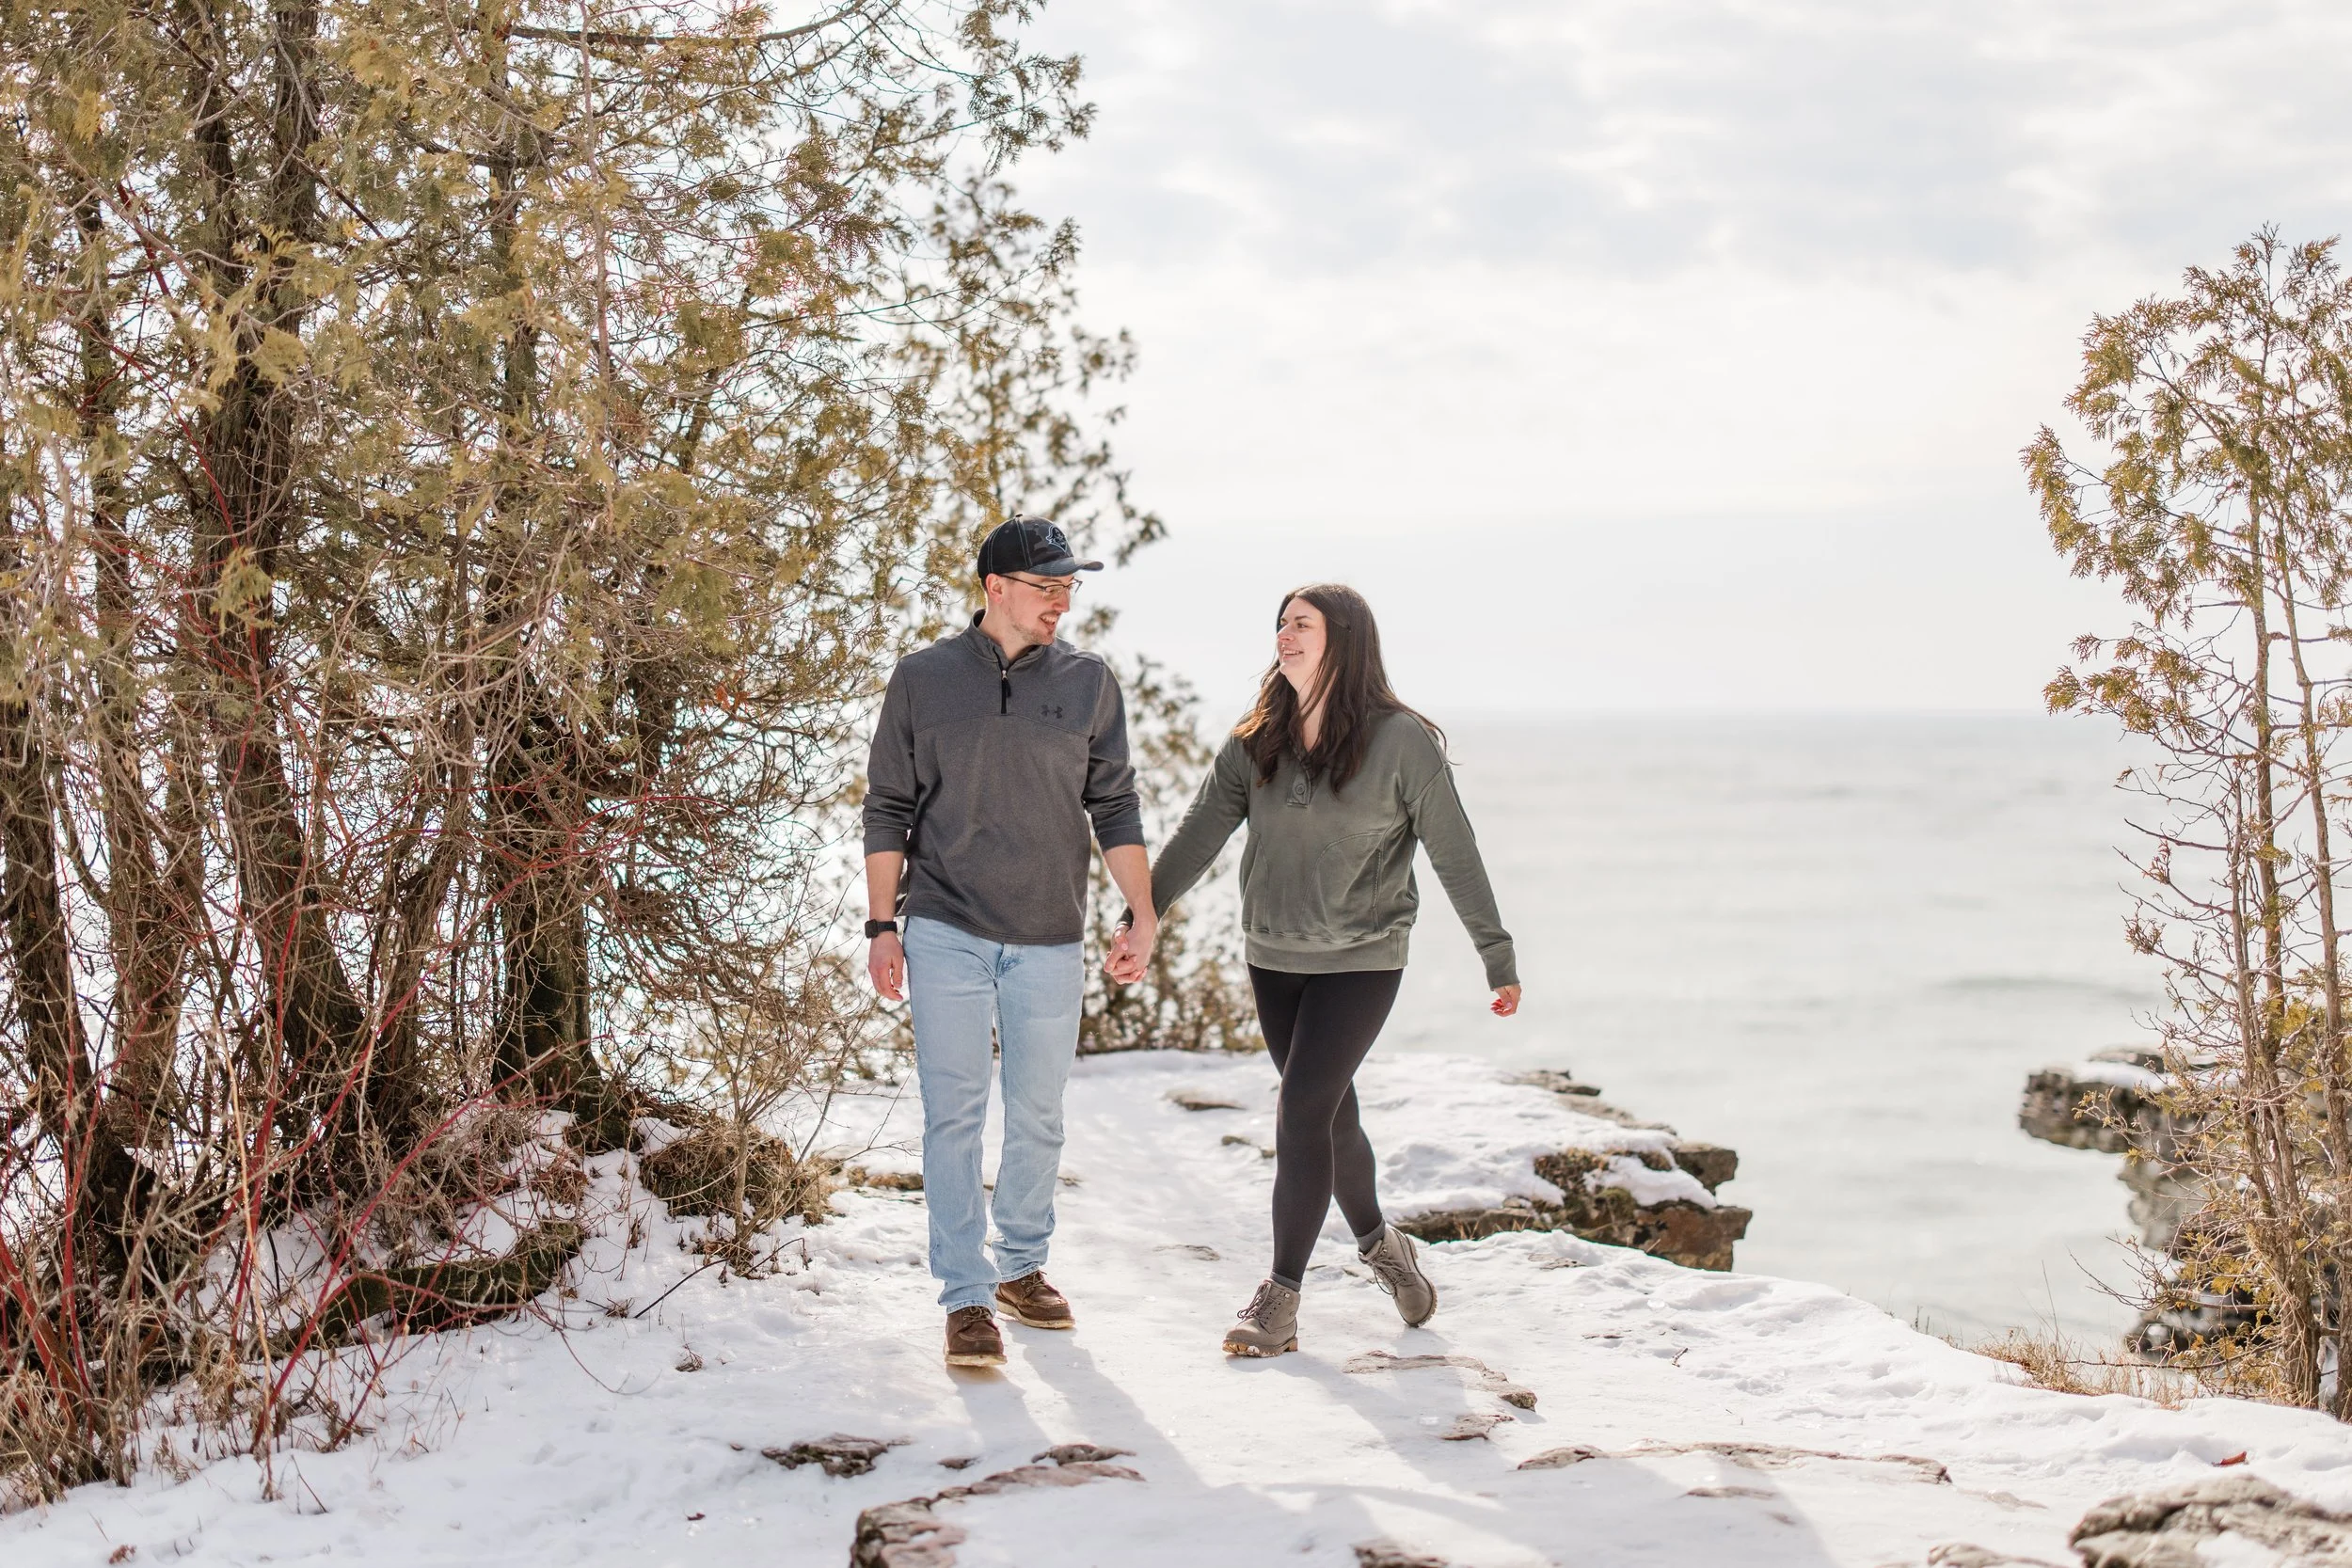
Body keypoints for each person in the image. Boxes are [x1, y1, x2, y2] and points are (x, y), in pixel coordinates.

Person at [1125, 583, 1518, 1356]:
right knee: (1332, 1114)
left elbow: (1454, 850)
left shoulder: (1402, 741)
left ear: (1344, 637)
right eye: (1279, 623)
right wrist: (1144, 914)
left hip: (1362, 959)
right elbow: (1200, 832)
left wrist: (1495, 954)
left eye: (1301, 623)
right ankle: (1383, 1247)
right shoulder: (1256, 739)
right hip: (1273, 955)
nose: (1284, 634)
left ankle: (1280, 1298)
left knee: (1302, 1108)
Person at [863, 515, 1158, 1370]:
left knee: (1038, 1115)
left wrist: (1141, 911)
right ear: (996, 589)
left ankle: (1021, 1265)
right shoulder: (922, 679)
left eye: (1070, 587)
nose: (1062, 601)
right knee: (954, 1114)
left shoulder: (1091, 684)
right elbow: (889, 805)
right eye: (1047, 586)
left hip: (1050, 934)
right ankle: (963, 1295)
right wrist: (884, 925)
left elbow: (1116, 806)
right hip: (945, 926)